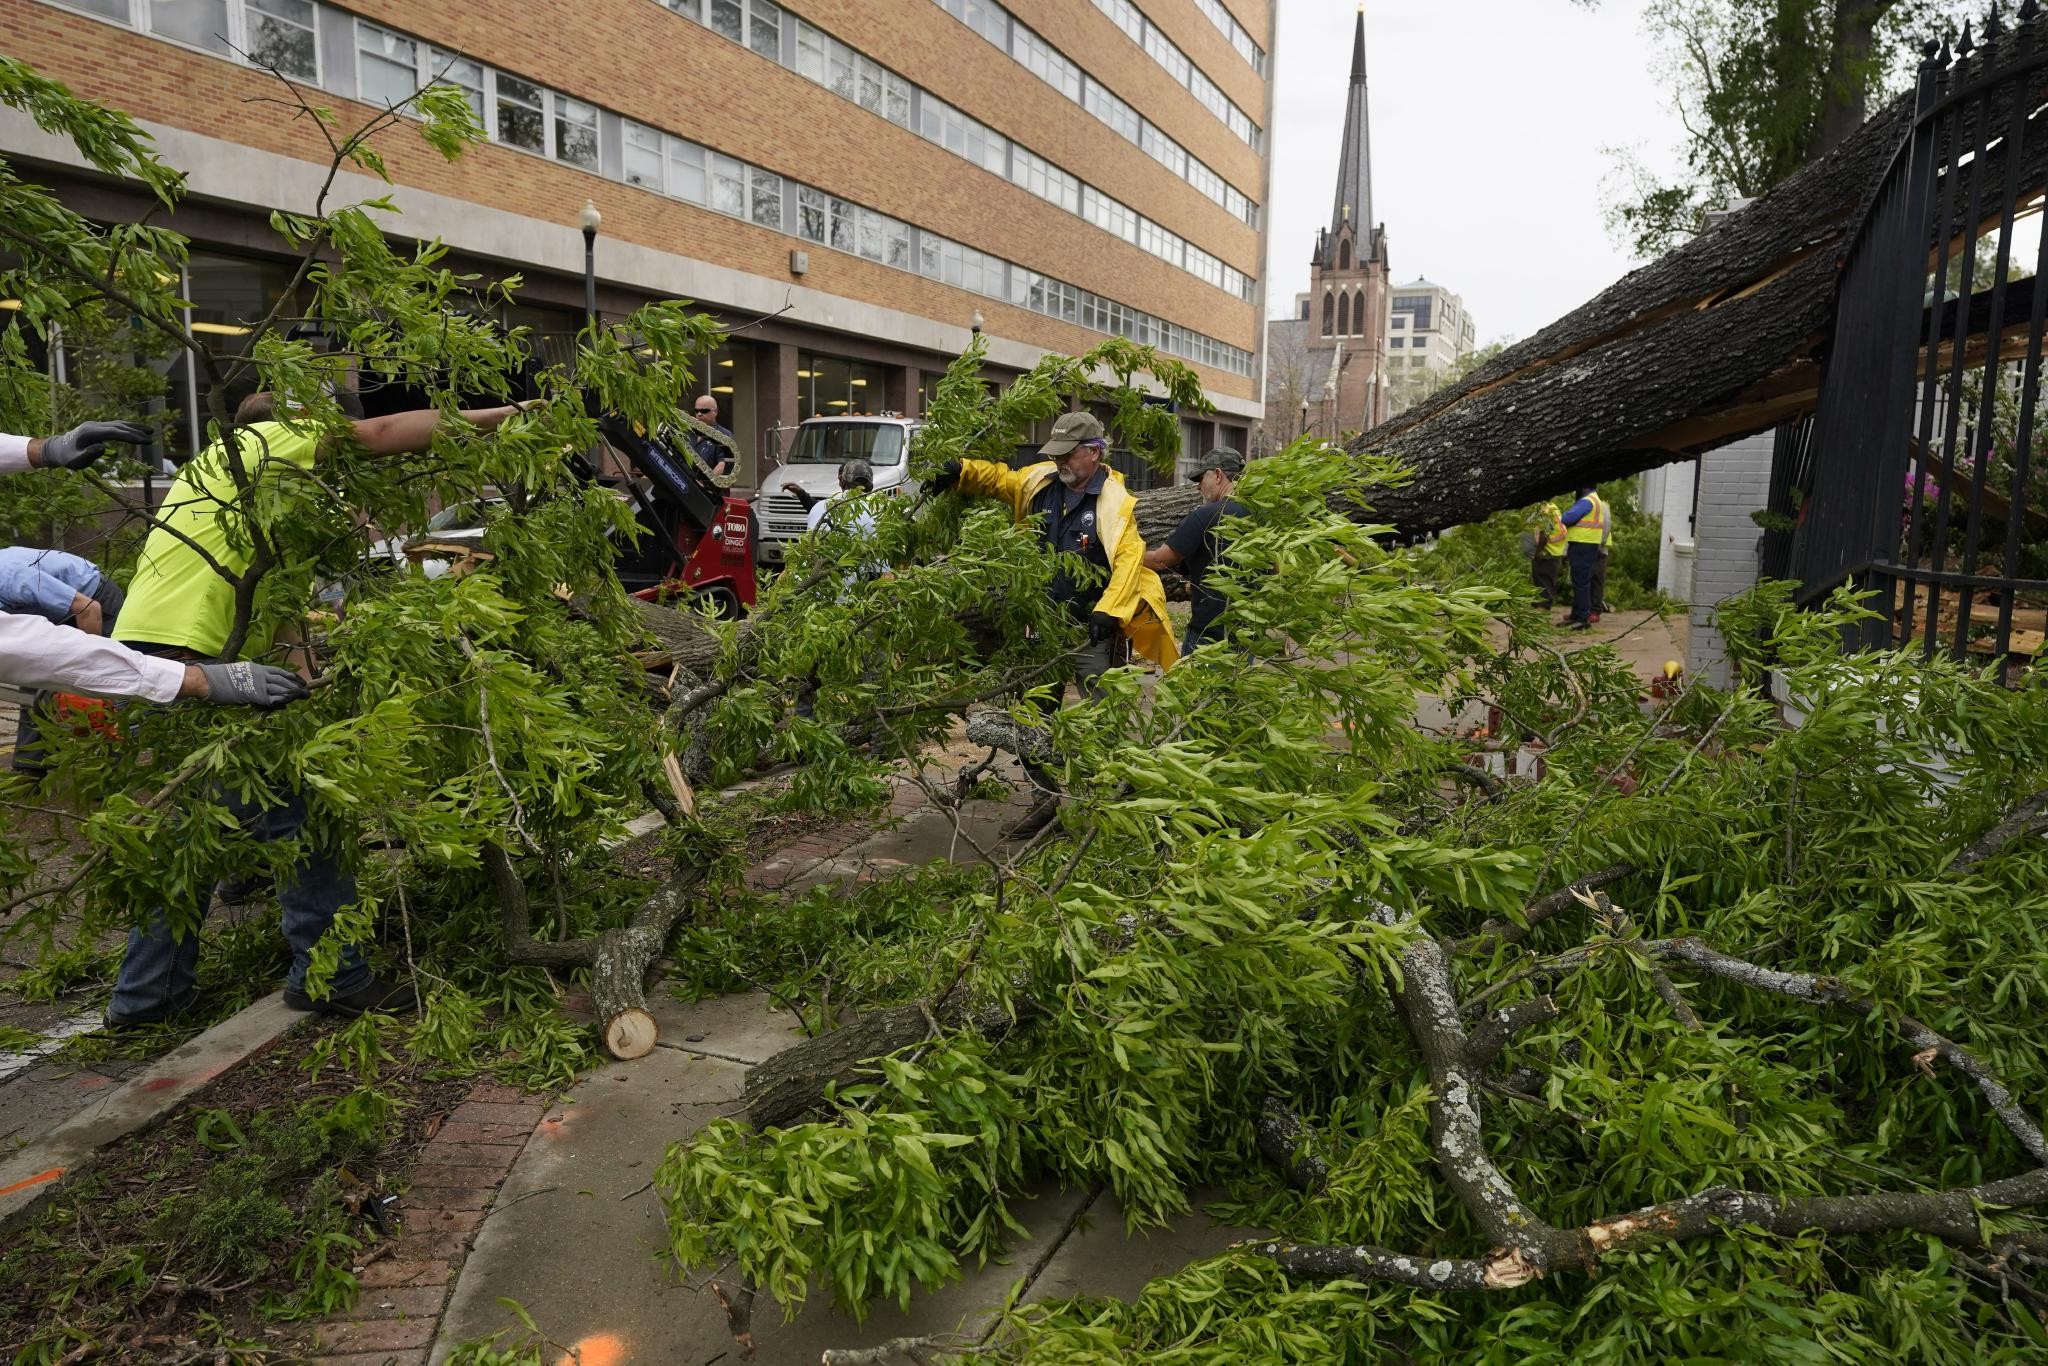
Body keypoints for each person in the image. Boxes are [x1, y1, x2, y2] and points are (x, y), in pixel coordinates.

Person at [106, 392, 534, 1027]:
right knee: (300, 815)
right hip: (190, 651)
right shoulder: (252, 448)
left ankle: (149, 995)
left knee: (199, 828)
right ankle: (329, 975)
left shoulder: (235, 491)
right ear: (293, 428)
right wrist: (503, 418)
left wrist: (304, 687)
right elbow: (385, 429)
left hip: (161, 652)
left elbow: (270, 609)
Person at [931, 410, 1177, 837]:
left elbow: (1128, 561)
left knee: (1104, 715)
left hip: (1091, 631)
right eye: (1057, 453)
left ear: (1095, 453)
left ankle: (1104, 801)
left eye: (1069, 454)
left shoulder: (1115, 503)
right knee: (1031, 717)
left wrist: (1108, 611)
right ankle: (1044, 802)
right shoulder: (1040, 483)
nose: (1061, 462)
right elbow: (999, 479)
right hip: (1039, 628)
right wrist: (960, 470)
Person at [0, 422, 304, 706]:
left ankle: (113, 723)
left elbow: (85, 610)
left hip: (95, 596)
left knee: (104, 680)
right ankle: (36, 760)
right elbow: (25, 648)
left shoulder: (11, 575)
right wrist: (195, 679)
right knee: (71, 684)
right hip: (75, 607)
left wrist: (44, 449)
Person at [1142, 447, 1250, 654]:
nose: (1198, 487)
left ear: (1218, 475)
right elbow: (1273, 569)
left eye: (1201, 479)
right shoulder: (1259, 515)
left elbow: (1158, 560)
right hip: (1246, 631)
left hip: (1207, 635)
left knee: (1194, 687)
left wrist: (1117, 554)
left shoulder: (1205, 515)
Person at [0, 545, 123, 635]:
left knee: (103, 665)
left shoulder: (15, 579)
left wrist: (93, 662)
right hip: (66, 612)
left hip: (94, 601)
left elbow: (89, 608)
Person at [1558, 483, 1610, 631]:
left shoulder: (1587, 501)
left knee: (1581, 583)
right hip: (1587, 545)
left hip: (1583, 545)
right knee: (1580, 582)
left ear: (1585, 487)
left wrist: (1563, 516)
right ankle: (1576, 615)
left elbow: (1567, 518)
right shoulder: (1595, 500)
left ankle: (1581, 619)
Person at [1529, 500, 1567, 609]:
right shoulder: (1553, 508)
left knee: (1543, 581)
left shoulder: (1545, 511)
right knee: (1547, 580)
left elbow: (1545, 533)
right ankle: (1541, 604)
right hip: (1554, 550)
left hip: (1547, 551)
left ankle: (1543, 606)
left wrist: (1538, 551)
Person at [687, 394, 735, 479]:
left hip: (706, 489)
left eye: (704, 411)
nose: (699, 414)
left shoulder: (724, 435)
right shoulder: (688, 433)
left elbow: (722, 464)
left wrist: (705, 485)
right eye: (696, 411)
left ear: (715, 412)